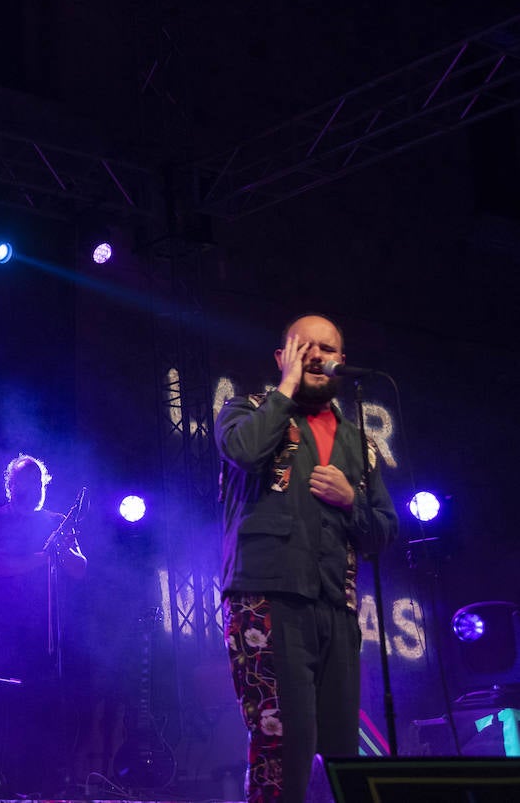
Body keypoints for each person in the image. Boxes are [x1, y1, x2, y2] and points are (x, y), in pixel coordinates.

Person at [215, 314, 398, 803]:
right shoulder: (244, 410)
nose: (317, 355)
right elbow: (246, 452)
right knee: (283, 745)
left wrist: (349, 501)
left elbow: (383, 531)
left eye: (327, 348)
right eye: (303, 347)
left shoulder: (359, 441)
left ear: (341, 360)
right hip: (268, 598)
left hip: (335, 604)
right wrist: (287, 388)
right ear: (282, 356)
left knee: (343, 748)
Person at [0, 453, 87, 794]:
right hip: (5, 634)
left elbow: (80, 569)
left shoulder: (57, 521)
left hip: (49, 633)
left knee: (49, 710)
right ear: (10, 486)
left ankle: (49, 786)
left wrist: (61, 554)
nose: (31, 489)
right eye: (23, 483)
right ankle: (7, 785)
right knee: (10, 711)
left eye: (37, 482)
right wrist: (40, 559)